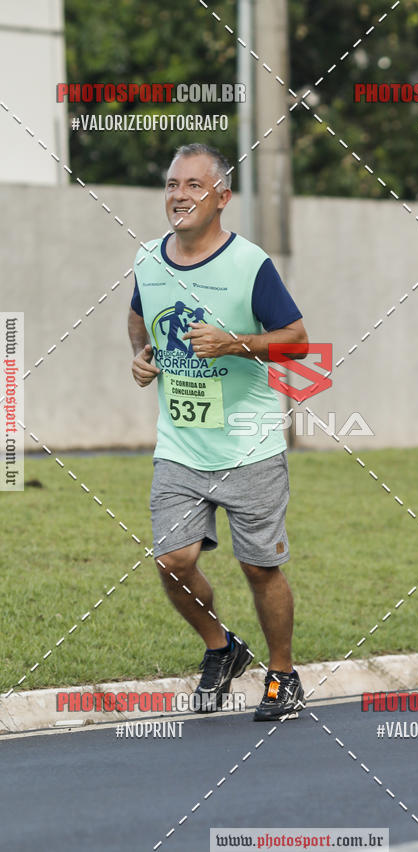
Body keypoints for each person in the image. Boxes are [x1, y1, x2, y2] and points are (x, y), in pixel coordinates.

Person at [128, 142, 308, 721]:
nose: (179, 195)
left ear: (222, 196)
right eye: (173, 184)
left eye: (193, 185)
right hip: (180, 445)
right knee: (172, 562)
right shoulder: (148, 260)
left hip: (249, 443)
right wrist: (141, 353)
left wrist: (236, 342)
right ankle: (221, 648)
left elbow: (297, 338)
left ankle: (283, 674)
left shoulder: (248, 264)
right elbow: (139, 314)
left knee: (259, 567)